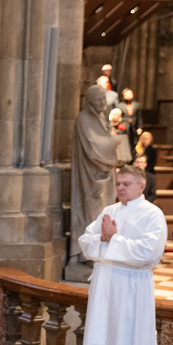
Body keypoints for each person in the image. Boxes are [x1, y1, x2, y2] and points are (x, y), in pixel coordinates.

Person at [78, 165, 166, 345]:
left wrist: (113, 239)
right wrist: (103, 237)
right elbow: (85, 241)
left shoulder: (153, 214)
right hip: (104, 285)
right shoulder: (109, 211)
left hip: (132, 287)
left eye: (126, 184)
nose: (120, 188)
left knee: (128, 339)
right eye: (118, 184)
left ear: (141, 186)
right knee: (101, 337)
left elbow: (148, 253)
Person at [70, 84, 124, 262]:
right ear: (90, 101)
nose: (102, 103)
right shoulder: (83, 118)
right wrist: (113, 142)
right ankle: (86, 255)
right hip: (90, 175)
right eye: (98, 100)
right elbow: (92, 146)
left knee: (105, 213)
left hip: (105, 173)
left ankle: (100, 252)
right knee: (92, 214)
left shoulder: (101, 116)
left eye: (103, 99)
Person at [117, 88, 142, 152]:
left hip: (133, 127)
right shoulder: (119, 106)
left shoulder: (136, 105)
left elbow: (139, 117)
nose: (128, 96)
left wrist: (139, 127)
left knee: (134, 143)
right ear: (123, 97)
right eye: (126, 95)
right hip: (124, 128)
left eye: (130, 94)